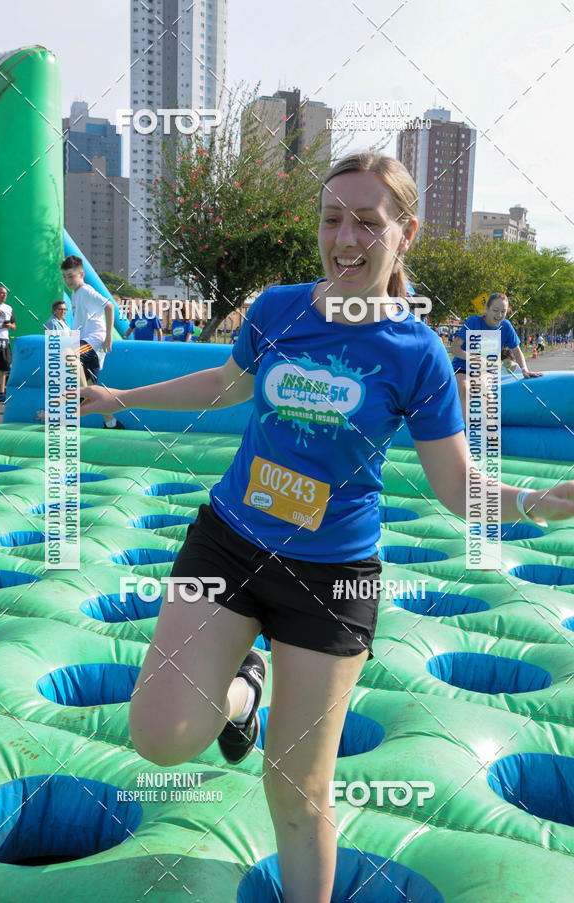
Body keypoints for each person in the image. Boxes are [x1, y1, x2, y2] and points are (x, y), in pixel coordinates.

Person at [75, 152, 574, 903]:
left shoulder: (419, 355)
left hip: (331, 580)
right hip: (230, 542)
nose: (346, 236)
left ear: (404, 234)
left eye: (367, 222)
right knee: (162, 735)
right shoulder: (278, 309)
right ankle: (246, 689)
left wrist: (541, 498)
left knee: (297, 787)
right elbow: (225, 383)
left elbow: (456, 485)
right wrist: (120, 394)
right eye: (332, 216)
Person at [448, 293, 541, 419]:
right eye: (495, 310)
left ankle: (490, 431)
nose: (499, 315)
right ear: (487, 309)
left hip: (485, 370)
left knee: (485, 389)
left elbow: (517, 351)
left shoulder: (506, 326)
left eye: (503, 311)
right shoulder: (473, 321)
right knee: (465, 388)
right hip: (462, 367)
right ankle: (464, 432)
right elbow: (454, 348)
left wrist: (525, 370)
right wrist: (473, 358)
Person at [60, 255, 124, 429]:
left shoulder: (86, 291)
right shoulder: (75, 295)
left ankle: (82, 397)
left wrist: (108, 337)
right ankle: (111, 422)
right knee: (89, 383)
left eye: (71, 276)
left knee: (68, 355)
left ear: (81, 273)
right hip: (84, 342)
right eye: (65, 276)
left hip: (95, 340)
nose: (68, 280)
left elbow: (109, 306)